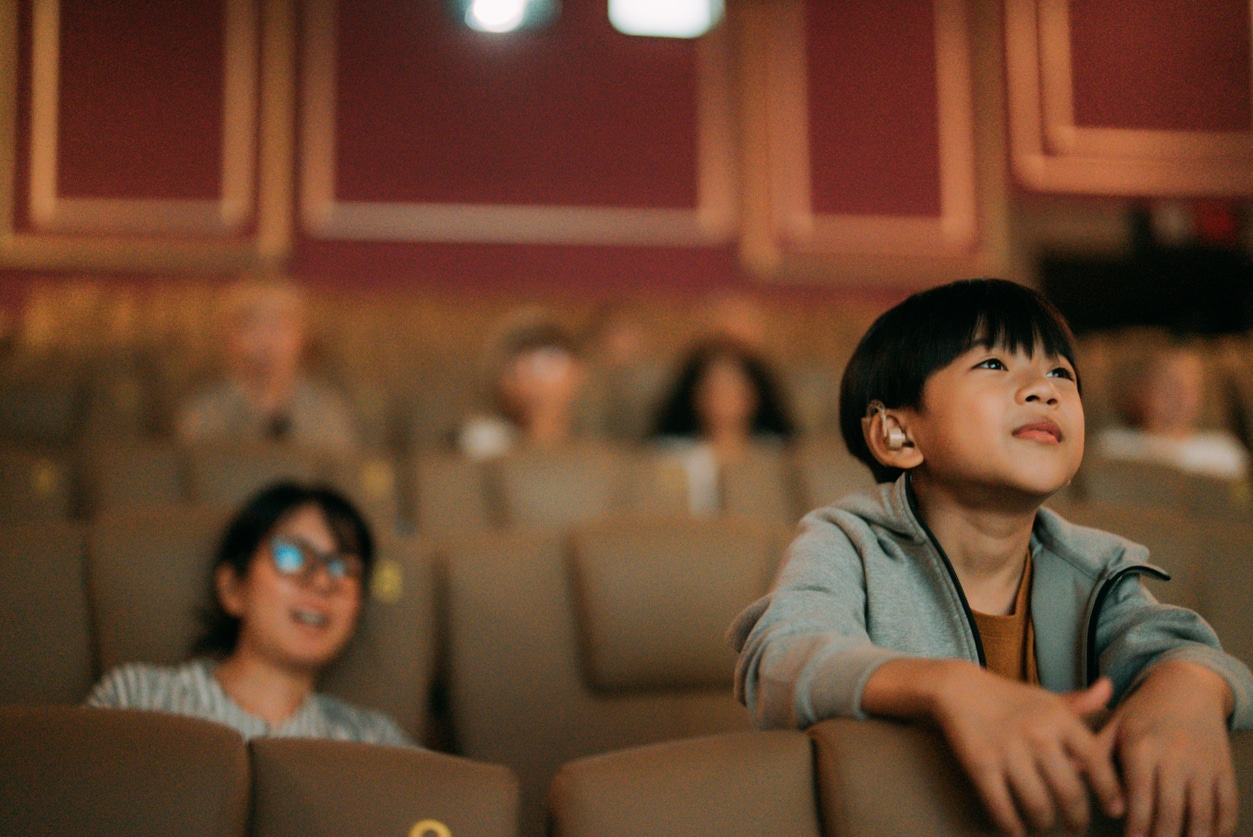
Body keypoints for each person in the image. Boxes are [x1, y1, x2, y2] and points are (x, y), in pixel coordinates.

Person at [730, 279, 1252, 837]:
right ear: (898, 433)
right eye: (995, 365)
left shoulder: (1097, 565)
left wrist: (1188, 692)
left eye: (1060, 374)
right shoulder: (848, 541)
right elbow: (781, 658)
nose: (1043, 390)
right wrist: (951, 689)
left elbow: (1180, 647)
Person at [86, 482, 412, 746]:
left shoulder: (375, 741)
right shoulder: (136, 699)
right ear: (233, 588)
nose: (324, 581)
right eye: (292, 555)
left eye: (343, 567)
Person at [176, 277, 358, 452]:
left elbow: (338, 477)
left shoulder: (327, 413)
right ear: (228, 338)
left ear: (303, 337)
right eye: (251, 326)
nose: (267, 341)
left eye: (280, 326)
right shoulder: (205, 413)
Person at [652, 338, 794, 515]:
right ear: (695, 396)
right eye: (713, 389)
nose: (724, 398)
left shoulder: (779, 457)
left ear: (755, 395)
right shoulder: (671, 457)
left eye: (735, 388)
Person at [1096, 344, 1248, 479]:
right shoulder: (1115, 448)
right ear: (1141, 390)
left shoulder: (1225, 451)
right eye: (1169, 386)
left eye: (1190, 387)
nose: (1179, 396)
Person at [456, 310, 585, 461]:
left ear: (579, 372)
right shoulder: (482, 443)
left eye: (548, 364)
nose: (535, 383)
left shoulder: (600, 446)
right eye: (517, 373)